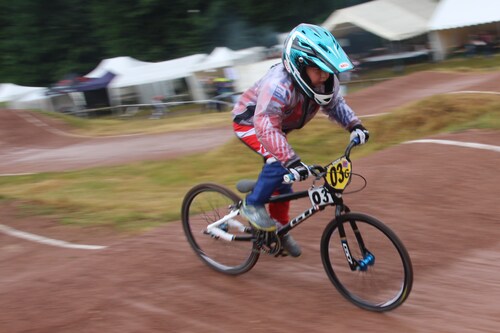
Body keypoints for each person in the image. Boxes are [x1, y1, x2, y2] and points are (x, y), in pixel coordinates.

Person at [231, 23, 369, 257]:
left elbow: (335, 105)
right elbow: (264, 126)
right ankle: (252, 204)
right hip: (252, 123)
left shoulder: (324, 83)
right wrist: (291, 160)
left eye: (328, 70)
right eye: (319, 70)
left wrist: (355, 126)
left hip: (277, 127)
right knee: (280, 162)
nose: (324, 76)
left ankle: (279, 229)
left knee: (285, 181)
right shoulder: (278, 85)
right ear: (299, 64)